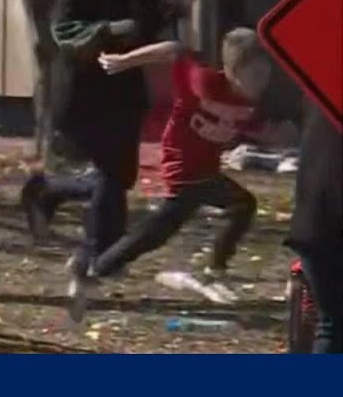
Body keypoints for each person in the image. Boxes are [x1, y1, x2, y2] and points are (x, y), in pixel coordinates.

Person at [66, 29, 294, 321]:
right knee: (155, 233)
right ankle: (93, 268)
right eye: (256, 75)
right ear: (233, 71)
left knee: (242, 205)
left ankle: (215, 270)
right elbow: (174, 49)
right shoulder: (204, 81)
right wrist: (125, 60)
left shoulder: (250, 105)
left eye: (266, 76)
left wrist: (279, 136)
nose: (262, 84)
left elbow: (256, 129)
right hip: (182, 170)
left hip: (207, 175)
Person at [21, 0, 172, 274]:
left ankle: (51, 192)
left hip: (125, 89)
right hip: (87, 92)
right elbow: (65, 32)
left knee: (120, 176)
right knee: (110, 174)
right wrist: (112, 31)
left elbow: (147, 20)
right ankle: (98, 253)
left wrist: (159, 21)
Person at [288, 103, 343, 353]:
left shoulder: (323, 92)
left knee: (331, 324)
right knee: (333, 325)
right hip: (325, 222)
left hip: (313, 220)